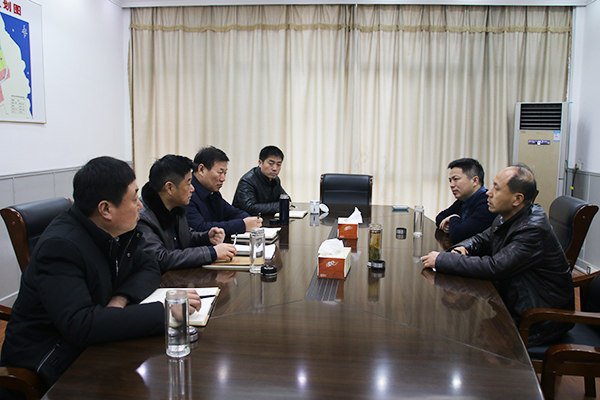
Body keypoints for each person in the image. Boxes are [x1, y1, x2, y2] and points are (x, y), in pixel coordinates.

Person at [0, 156, 202, 394]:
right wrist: (166, 312)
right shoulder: (60, 246)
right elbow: (81, 325)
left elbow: (149, 266)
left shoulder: (115, 230)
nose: (140, 206)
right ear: (106, 209)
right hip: (51, 362)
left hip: (93, 344)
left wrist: (120, 299)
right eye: (134, 199)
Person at [422, 165, 574, 347]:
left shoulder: (532, 229)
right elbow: (481, 239)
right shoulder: (507, 217)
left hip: (539, 320)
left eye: (496, 188)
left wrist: (443, 259)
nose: (489, 192)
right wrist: (461, 249)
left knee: (464, 340)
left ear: (517, 199)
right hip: (515, 304)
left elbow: (495, 267)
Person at [137, 154, 237, 273]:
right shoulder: (142, 217)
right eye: (189, 183)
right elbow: (161, 258)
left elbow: (185, 237)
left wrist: (206, 237)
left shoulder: (176, 208)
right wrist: (211, 253)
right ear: (169, 188)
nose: (192, 189)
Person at [183, 146, 263, 235]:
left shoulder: (212, 192)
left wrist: (250, 220)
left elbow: (232, 213)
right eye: (220, 173)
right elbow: (200, 228)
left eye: (225, 173)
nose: (223, 179)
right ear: (201, 170)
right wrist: (243, 225)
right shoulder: (186, 193)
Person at [435, 158, 497, 244]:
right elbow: (440, 217)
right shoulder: (464, 199)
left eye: (456, 179)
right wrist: (453, 225)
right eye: (450, 180)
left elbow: (459, 235)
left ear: (475, 181)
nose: (451, 185)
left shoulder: (488, 204)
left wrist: (453, 218)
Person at [232, 145, 290, 215]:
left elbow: (286, 199)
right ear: (260, 163)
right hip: (244, 219)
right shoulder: (247, 181)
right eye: (271, 164)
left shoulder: (275, 179)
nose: (275, 168)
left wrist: (284, 203)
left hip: (265, 218)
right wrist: (280, 205)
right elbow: (250, 208)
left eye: (278, 164)